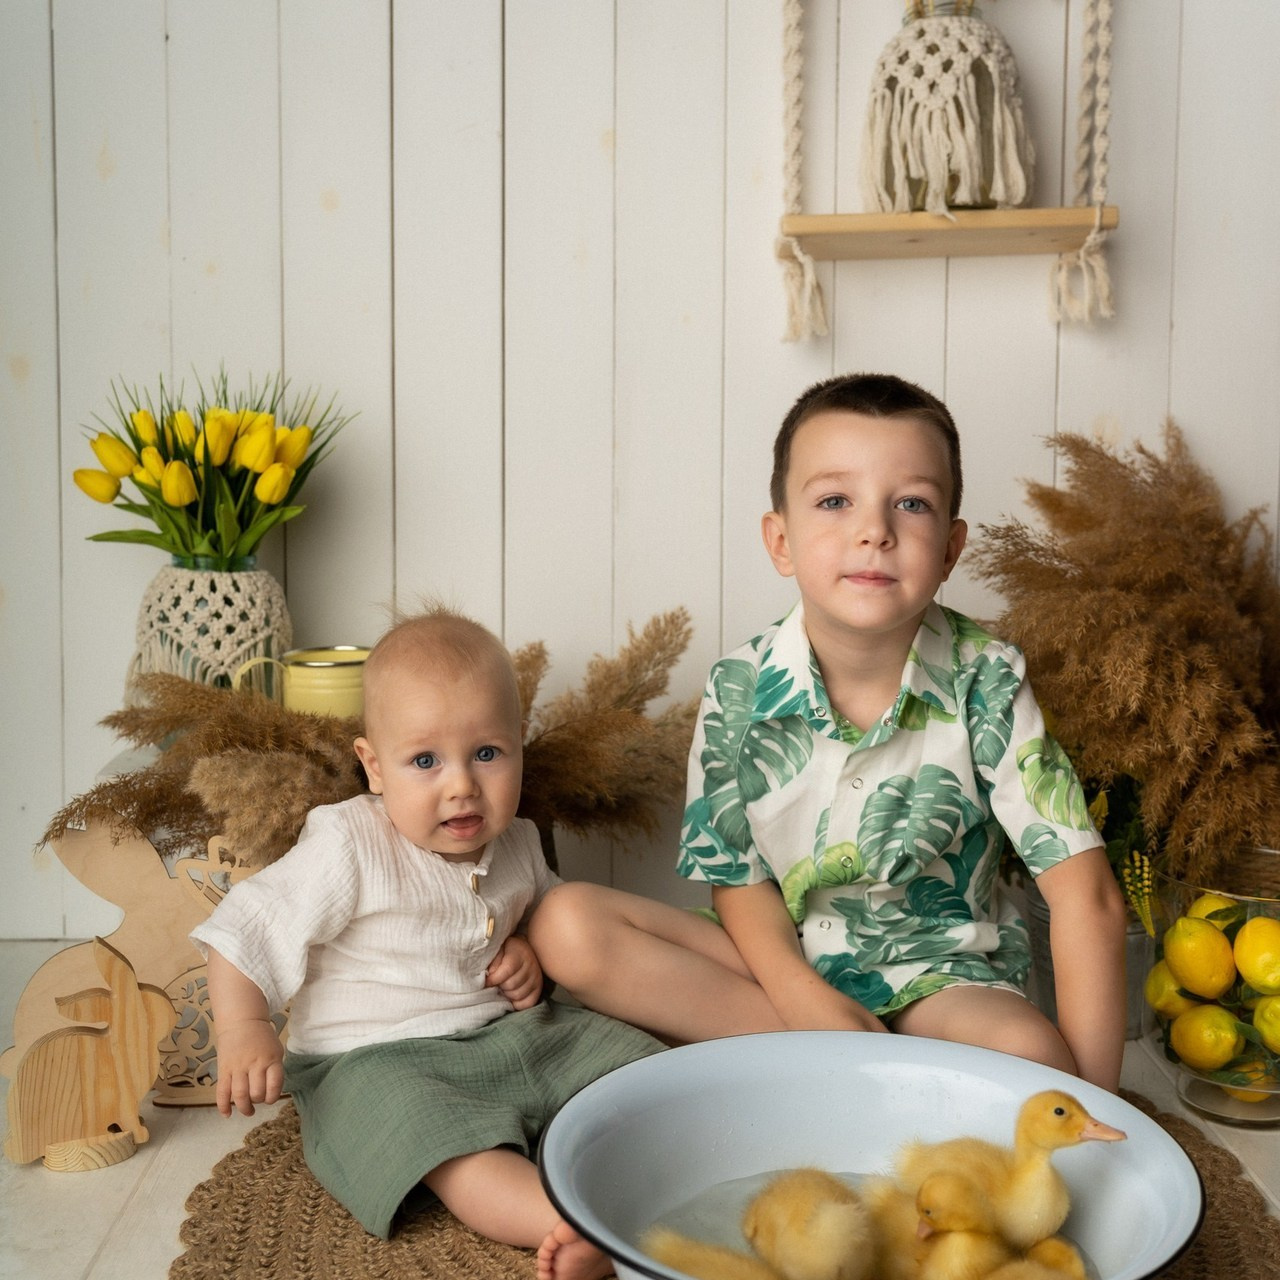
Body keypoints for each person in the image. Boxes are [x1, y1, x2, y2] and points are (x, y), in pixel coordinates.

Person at [529, 372, 1129, 1092]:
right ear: (780, 540)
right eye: (836, 501)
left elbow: (1085, 896)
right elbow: (738, 881)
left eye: (911, 503)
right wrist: (803, 995)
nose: (875, 530)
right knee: (566, 924)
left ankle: (829, 1078)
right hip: (776, 970)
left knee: (1035, 1061)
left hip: (940, 978)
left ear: (949, 549)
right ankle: (850, 1064)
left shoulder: (987, 678)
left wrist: (1100, 1112)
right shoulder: (738, 686)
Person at [192, 607, 663, 1280]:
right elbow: (246, 926)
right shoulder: (349, 843)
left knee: (627, 1060)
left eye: (487, 754)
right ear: (374, 766)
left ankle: (660, 1161)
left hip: (509, 1033)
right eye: (424, 761)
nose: (461, 785)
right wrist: (244, 1028)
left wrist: (527, 948)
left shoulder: (520, 841)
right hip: (377, 1059)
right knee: (443, 1142)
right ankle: (569, 1224)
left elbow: (544, 917)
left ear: (519, 746)